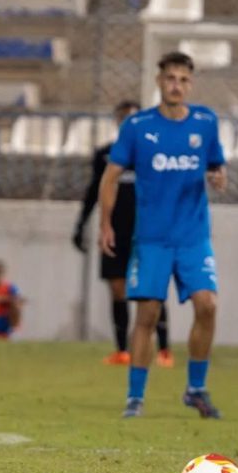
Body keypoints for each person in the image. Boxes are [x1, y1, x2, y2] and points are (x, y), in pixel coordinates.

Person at [98, 51, 226, 419]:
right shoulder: (138, 126)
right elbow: (110, 177)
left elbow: (216, 167)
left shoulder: (205, 122)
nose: (176, 86)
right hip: (152, 239)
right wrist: (105, 223)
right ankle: (135, 397)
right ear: (159, 82)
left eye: (183, 80)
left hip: (193, 237)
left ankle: (196, 389)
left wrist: (218, 176)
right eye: (170, 78)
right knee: (148, 315)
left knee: (208, 305)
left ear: (191, 84)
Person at [73, 100, 173, 367]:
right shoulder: (106, 155)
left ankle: (164, 350)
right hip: (114, 232)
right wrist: (81, 224)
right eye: (124, 118)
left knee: (152, 290)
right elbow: (94, 191)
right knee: (117, 288)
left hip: (148, 233)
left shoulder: (156, 155)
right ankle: (122, 350)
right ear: (117, 122)